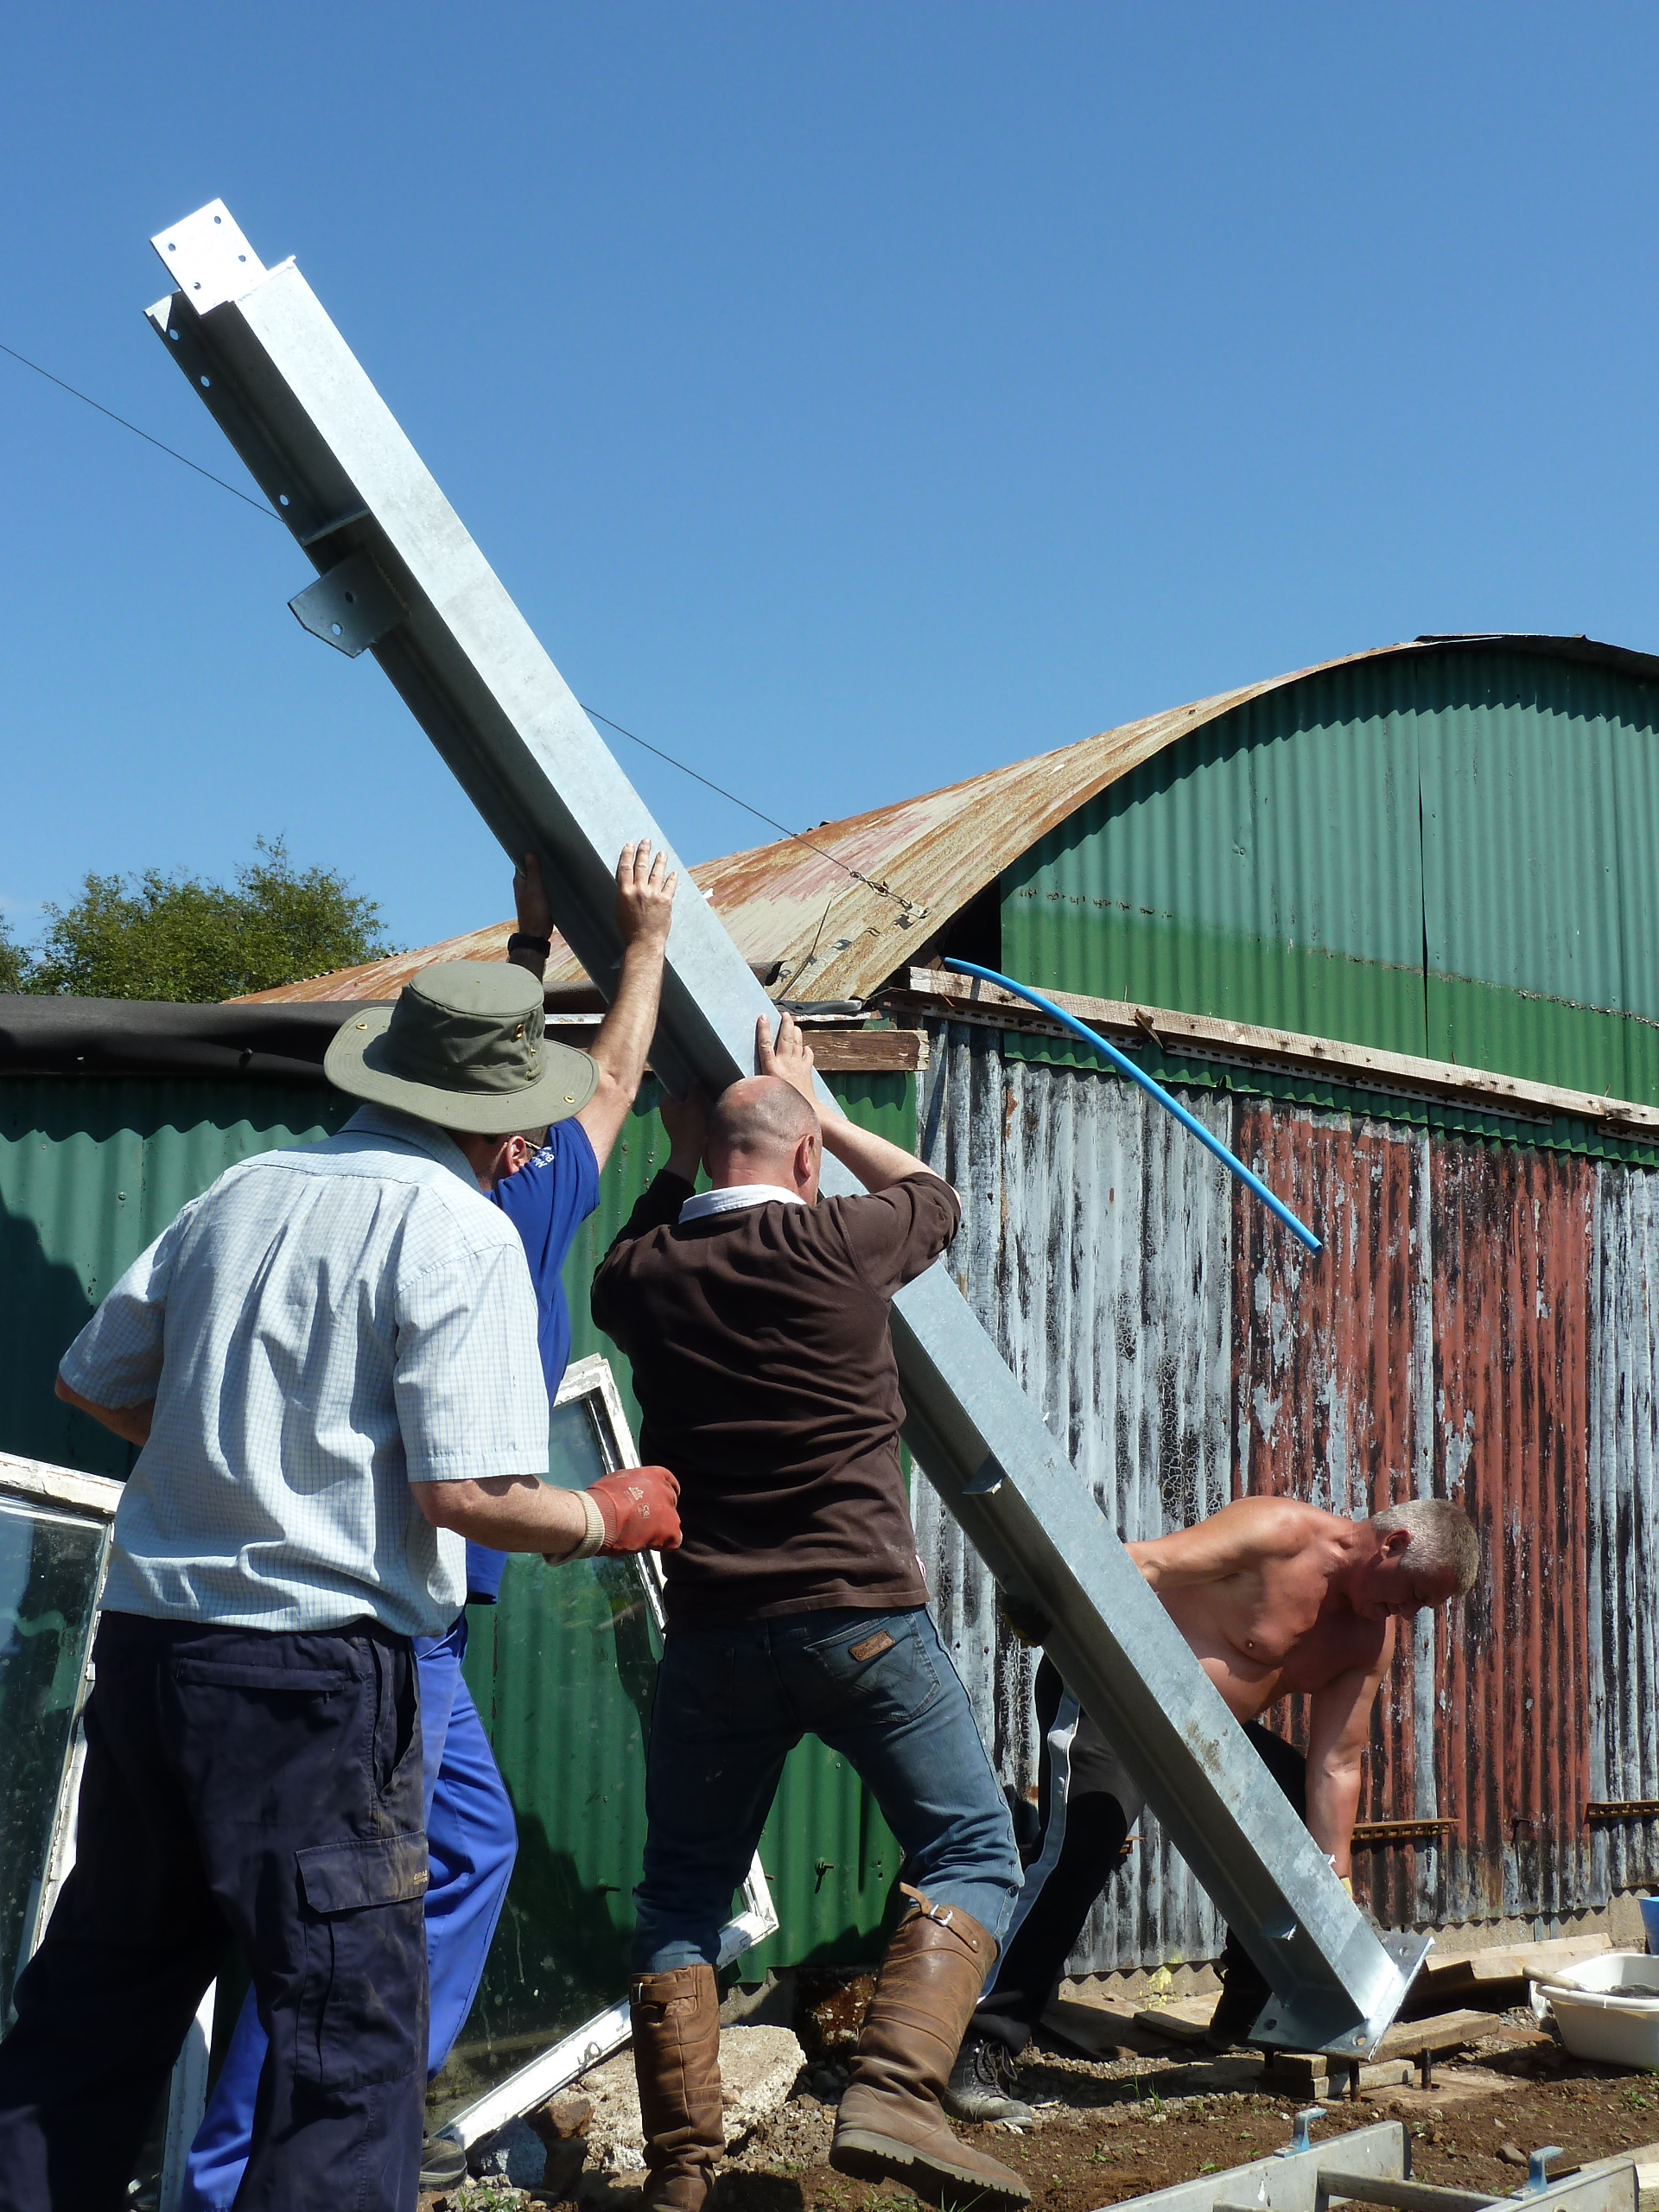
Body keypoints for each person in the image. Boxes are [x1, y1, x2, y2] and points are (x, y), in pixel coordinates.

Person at [0, 902, 681, 2212]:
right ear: (502, 1124)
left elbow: (94, 1379)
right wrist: (609, 1515)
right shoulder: (463, 1231)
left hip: (151, 1655)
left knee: (88, 2018)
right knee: (343, 2056)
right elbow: (468, 1493)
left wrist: (238, 1456)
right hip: (313, 1686)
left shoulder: (244, 1190)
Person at [591, 1014, 1028, 2212]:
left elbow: (621, 1258)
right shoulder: (843, 1240)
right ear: (803, 1163)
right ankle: (893, 2091)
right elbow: (934, 1193)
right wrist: (825, 1108)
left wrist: (677, 1156)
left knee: (682, 1895)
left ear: (703, 1151)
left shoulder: (646, 1276)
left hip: (716, 1633)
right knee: (973, 1851)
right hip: (860, 1621)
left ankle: (681, 2175)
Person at [945, 1492, 1482, 2122]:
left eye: (1424, 1607)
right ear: (1392, 1545)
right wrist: (1051, 1595)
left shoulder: (1369, 1640)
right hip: (1113, 1692)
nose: (1410, 1613)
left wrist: (1332, 1886)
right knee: (1085, 1843)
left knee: (1292, 1805)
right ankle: (979, 2042)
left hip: (1204, 1729)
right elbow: (1145, 1565)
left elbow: (1336, 1763)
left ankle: (1253, 1999)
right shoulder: (1281, 1533)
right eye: (1415, 1593)